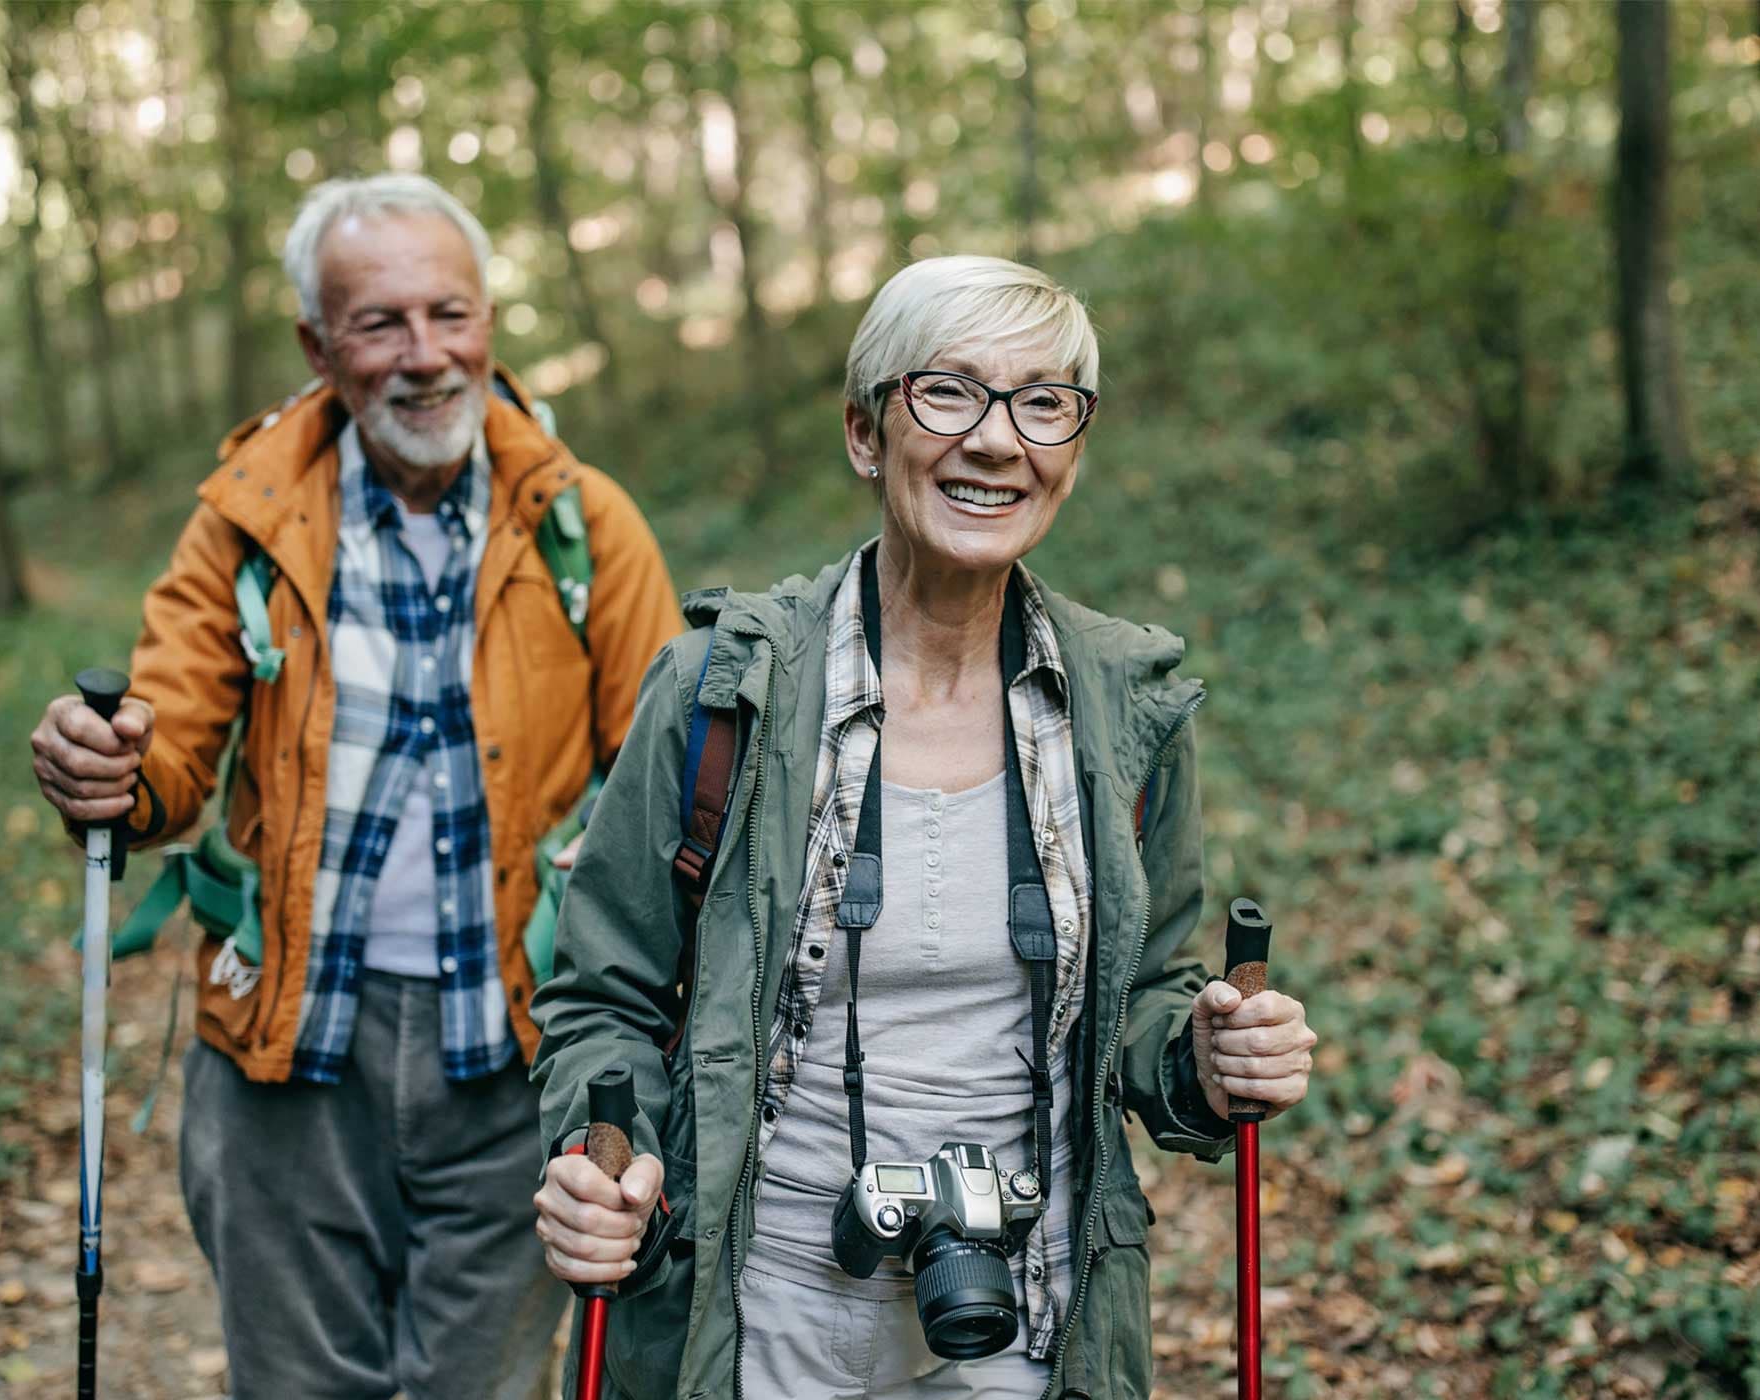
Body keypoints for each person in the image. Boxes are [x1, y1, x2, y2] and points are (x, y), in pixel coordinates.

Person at [529, 255, 1318, 1400]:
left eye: (1045, 402)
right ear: (864, 431)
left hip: (1028, 1313)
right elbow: (604, 994)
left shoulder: (1123, 705)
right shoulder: (722, 694)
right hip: (759, 1317)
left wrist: (1202, 1053)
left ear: (1074, 447)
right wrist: (609, 1169)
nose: (997, 441)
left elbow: (1151, 993)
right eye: (947, 391)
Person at [28, 174, 683, 1400]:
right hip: (288, 1051)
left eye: (452, 313)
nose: (427, 356)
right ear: (317, 346)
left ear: (490, 320)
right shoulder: (246, 522)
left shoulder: (584, 524)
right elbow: (167, 750)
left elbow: (663, 785)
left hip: (513, 1051)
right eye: (381, 323)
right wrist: (105, 768)